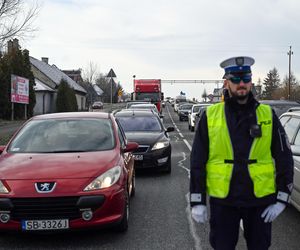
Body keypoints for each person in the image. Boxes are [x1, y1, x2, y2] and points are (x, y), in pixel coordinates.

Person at [190, 56, 294, 250]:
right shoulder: (210, 116)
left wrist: (282, 197)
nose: (241, 84)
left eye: (245, 78)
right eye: (235, 79)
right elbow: (197, 160)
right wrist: (197, 199)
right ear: (226, 82)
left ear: (251, 81)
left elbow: (284, 157)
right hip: (224, 201)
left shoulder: (267, 114)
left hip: (259, 201)